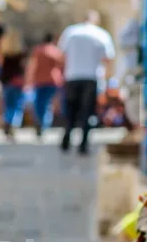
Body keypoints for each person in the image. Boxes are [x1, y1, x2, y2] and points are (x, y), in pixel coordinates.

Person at [59, 10, 115, 154]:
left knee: (71, 109)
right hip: (91, 77)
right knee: (87, 111)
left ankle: (67, 138)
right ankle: (83, 143)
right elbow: (108, 59)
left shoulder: (70, 32)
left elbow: (62, 55)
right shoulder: (101, 34)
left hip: (72, 76)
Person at [25, 33, 64, 137]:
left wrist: (29, 79)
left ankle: (40, 122)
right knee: (47, 103)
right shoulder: (56, 51)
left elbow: (32, 65)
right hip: (52, 80)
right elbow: (62, 66)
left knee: (38, 103)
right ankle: (44, 124)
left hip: (39, 80)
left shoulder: (38, 50)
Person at [0, 30, 26, 138]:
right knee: (17, 105)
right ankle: (13, 123)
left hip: (7, 81)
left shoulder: (4, 53)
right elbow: (23, 68)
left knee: (8, 105)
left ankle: (7, 121)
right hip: (17, 81)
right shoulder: (21, 52)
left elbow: (0, 67)